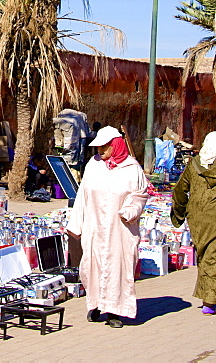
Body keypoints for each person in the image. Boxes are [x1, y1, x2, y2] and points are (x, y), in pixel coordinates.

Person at [66, 126, 150, 328]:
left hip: (119, 229)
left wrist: (130, 210)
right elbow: (83, 196)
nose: (100, 151)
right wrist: (76, 224)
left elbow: (140, 195)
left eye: (104, 147)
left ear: (115, 145)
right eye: (98, 147)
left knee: (117, 269)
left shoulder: (132, 169)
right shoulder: (93, 166)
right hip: (94, 227)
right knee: (92, 267)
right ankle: (95, 304)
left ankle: (114, 311)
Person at [172, 131, 216, 314]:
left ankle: (210, 297)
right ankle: (211, 300)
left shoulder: (193, 164)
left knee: (204, 255)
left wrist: (179, 213)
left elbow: (180, 190)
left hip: (197, 216)